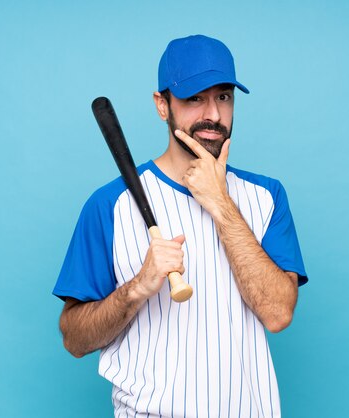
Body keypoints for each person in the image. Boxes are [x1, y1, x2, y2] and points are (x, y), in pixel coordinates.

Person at [53, 34, 308, 417]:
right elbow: (74, 338)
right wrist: (139, 287)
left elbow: (277, 314)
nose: (214, 115)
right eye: (194, 98)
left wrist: (220, 203)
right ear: (162, 105)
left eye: (224, 96)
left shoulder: (266, 196)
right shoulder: (110, 205)